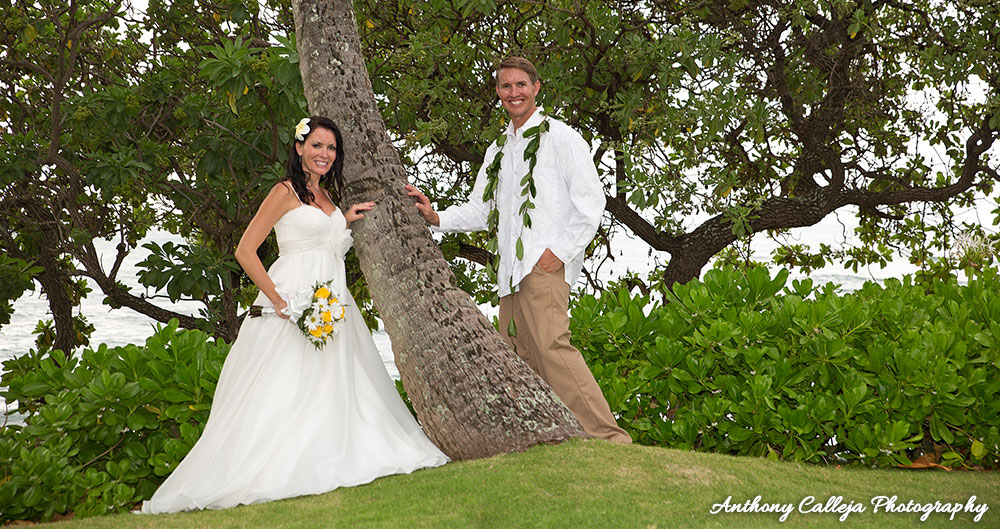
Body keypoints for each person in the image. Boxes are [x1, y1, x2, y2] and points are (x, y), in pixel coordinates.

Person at [140, 116, 448, 514]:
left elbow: (329, 249)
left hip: (331, 300)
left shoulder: (328, 198)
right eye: (317, 145)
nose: (324, 154)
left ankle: (332, 450)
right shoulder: (284, 192)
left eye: (331, 148)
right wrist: (279, 299)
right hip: (292, 297)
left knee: (333, 379)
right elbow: (245, 250)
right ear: (300, 148)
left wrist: (346, 223)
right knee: (283, 384)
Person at [405, 57, 631, 444]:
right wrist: (436, 216)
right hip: (509, 274)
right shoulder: (497, 151)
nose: (514, 93)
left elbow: (591, 204)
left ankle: (610, 440)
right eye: (506, 87)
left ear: (536, 88)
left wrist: (556, 253)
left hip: (541, 268)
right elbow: (481, 209)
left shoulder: (562, 138)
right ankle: (550, 440)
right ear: (498, 92)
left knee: (553, 350)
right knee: (518, 358)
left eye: (521, 85)